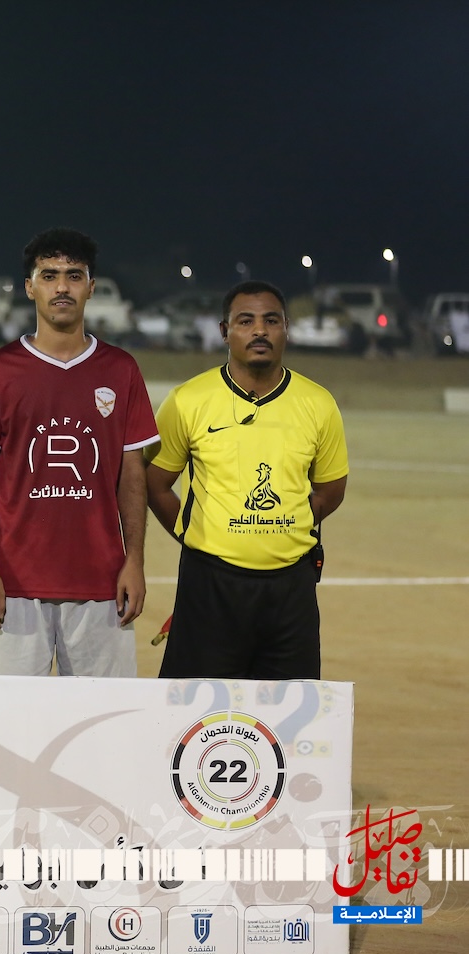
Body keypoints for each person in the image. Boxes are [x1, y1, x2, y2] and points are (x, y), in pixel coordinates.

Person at [0, 228, 159, 677]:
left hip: (103, 584)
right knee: (10, 715)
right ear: (30, 287)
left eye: (74, 275)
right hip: (14, 586)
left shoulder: (121, 370)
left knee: (103, 715)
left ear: (91, 287)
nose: (62, 287)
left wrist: (135, 562)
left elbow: (131, 475)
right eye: (49, 276)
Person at [146, 280, 348, 680]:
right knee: (197, 709)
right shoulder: (187, 400)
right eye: (245, 321)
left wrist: (286, 526)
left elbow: (331, 489)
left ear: (287, 329)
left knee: (288, 709)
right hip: (210, 584)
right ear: (225, 331)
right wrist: (192, 531)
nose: (260, 331)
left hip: (291, 590)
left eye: (271, 321)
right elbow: (155, 483)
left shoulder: (318, 403)